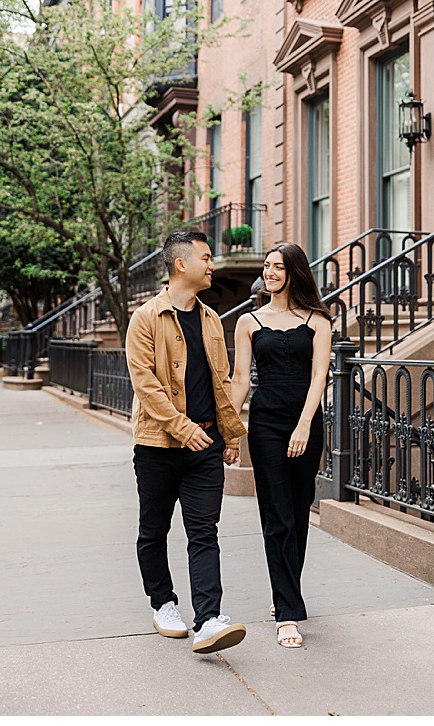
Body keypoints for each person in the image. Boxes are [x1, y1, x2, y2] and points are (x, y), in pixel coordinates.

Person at [126, 230, 248, 654]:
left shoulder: (212, 318)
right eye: (206, 257)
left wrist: (229, 434)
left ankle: (209, 620)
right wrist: (183, 428)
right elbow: (146, 385)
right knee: (153, 529)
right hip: (158, 445)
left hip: (206, 445)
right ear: (182, 264)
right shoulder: (146, 318)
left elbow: (222, 382)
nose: (213, 264)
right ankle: (162, 603)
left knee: (203, 532)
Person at [230, 243, 334, 649]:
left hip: (306, 423)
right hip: (267, 425)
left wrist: (305, 425)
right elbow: (241, 379)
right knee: (276, 515)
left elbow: (319, 379)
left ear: (294, 272)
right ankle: (287, 612)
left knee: (297, 510)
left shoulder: (319, 321)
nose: (269, 272)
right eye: (266, 266)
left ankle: (285, 590)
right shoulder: (248, 321)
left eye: (277, 267)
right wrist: (229, 427)